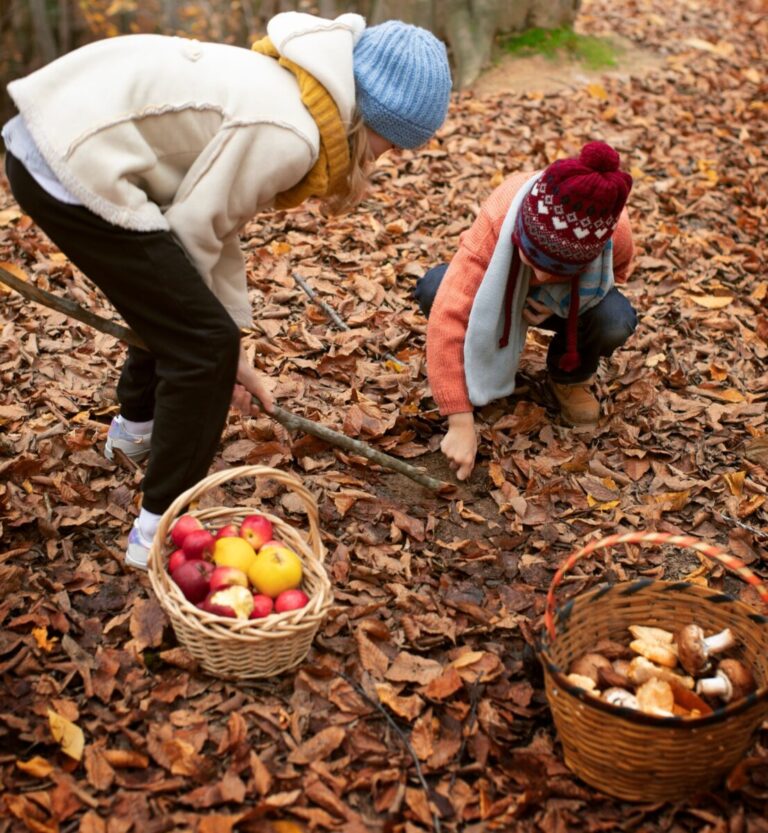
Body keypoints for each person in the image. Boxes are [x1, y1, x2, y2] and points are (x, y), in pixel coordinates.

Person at [2, 12, 452, 569]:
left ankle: (134, 432)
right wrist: (224, 355)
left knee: (190, 319)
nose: (396, 156)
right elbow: (193, 239)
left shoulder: (296, 91)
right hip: (70, 162)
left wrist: (229, 335)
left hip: (53, 140)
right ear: (370, 115)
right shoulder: (292, 133)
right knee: (202, 344)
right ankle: (159, 530)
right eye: (396, 142)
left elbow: (213, 225)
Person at [415, 141, 636, 481]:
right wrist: (459, 420)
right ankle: (478, 363)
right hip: (499, 288)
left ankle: (569, 376)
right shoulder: (504, 210)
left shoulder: (615, 231)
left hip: (562, 306)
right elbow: (448, 313)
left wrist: (557, 302)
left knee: (614, 319)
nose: (541, 274)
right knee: (434, 288)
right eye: (532, 256)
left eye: (556, 268)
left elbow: (614, 279)